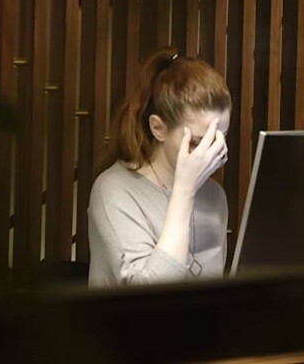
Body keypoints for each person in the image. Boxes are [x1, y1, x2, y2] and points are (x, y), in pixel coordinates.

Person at [87, 46, 231, 288]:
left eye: (220, 139)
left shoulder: (215, 196)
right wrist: (185, 191)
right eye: (197, 142)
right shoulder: (113, 190)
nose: (212, 153)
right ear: (158, 128)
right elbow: (150, 299)